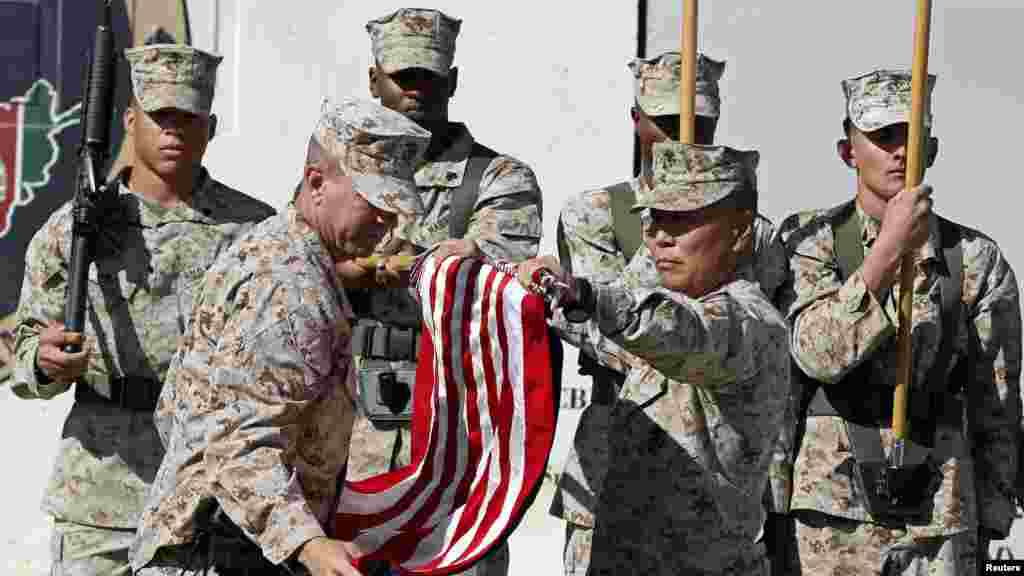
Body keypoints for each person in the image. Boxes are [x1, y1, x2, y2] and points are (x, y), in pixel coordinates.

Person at [130, 97, 432, 575]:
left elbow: (179, 411)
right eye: (373, 202)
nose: (388, 221)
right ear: (316, 183)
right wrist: (309, 545)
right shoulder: (288, 286)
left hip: (236, 544)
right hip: (221, 553)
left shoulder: (291, 252)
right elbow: (238, 440)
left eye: (394, 206)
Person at [9, 43, 275, 575]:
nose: (173, 130)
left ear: (211, 125)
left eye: (188, 117)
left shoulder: (255, 232)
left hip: (203, 493)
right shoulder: (75, 229)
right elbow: (22, 348)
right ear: (132, 121)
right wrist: (43, 362)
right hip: (99, 494)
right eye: (160, 117)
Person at [551, 50, 792, 576]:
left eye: (683, 222)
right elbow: (607, 345)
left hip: (700, 551)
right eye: (655, 221)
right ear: (636, 118)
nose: (660, 235)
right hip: (622, 516)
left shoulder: (748, 317)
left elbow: (688, 334)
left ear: (739, 233)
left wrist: (596, 297)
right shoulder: (597, 213)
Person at [775, 68, 1021, 574]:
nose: (899, 151)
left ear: (931, 150)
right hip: (831, 515)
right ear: (847, 151)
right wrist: (886, 253)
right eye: (883, 137)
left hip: (940, 512)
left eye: (911, 137)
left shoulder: (975, 258)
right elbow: (815, 357)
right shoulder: (809, 241)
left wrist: (996, 513)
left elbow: (995, 397)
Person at [341, 8, 544, 575]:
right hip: (352, 437)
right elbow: (307, 264)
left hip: (453, 437)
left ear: (451, 82)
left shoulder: (500, 178)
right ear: (373, 80)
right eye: (403, 77)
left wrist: (373, 267)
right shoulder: (338, 178)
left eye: (429, 78)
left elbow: (490, 279)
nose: (416, 91)